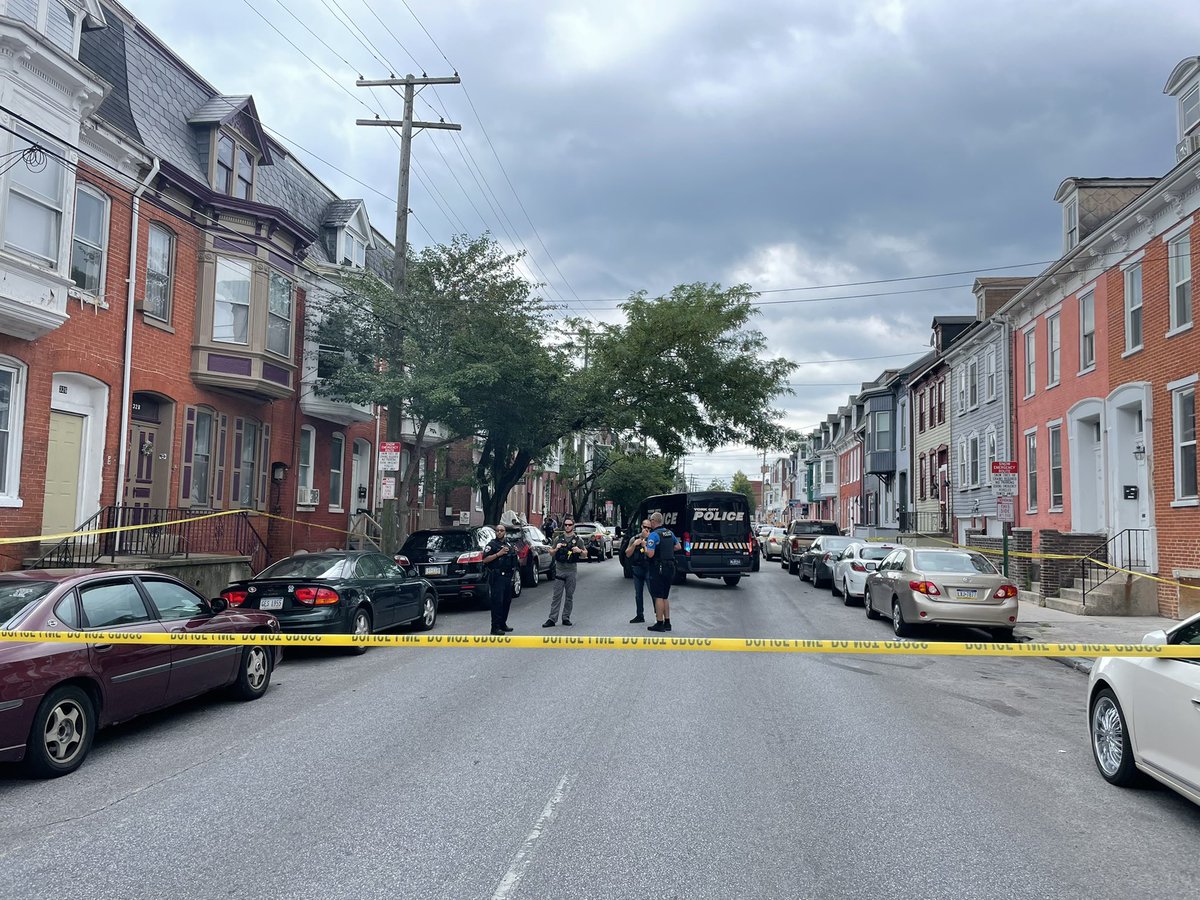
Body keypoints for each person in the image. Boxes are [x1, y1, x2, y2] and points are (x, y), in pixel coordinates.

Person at [544, 517, 586, 627]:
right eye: (566, 525)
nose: (567, 526)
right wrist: (556, 548)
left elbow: (585, 553)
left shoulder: (578, 540)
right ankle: (552, 619)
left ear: (573, 526)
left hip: (571, 571)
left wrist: (580, 550)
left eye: (569, 525)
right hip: (560, 570)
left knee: (569, 596)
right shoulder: (558, 539)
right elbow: (551, 553)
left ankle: (566, 617)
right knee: (556, 596)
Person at [643, 511, 681, 632]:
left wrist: (644, 545)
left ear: (654, 521)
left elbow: (650, 554)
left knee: (658, 596)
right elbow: (678, 546)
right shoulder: (669, 533)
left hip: (658, 568)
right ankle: (668, 622)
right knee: (665, 596)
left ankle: (659, 623)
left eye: (651, 521)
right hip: (670, 567)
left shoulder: (654, 535)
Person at [483, 525, 516, 636]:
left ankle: (502, 624)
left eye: (501, 531)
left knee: (507, 601)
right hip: (497, 577)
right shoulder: (491, 545)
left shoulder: (509, 544)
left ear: (505, 532)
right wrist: (498, 554)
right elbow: (485, 560)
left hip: (508, 576)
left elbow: (514, 560)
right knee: (498, 602)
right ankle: (495, 627)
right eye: (497, 531)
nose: (499, 532)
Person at [624, 519, 653, 623]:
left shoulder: (652, 538)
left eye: (649, 528)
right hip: (637, 568)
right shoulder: (635, 538)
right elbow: (627, 554)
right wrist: (634, 545)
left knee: (652, 592)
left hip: (649, 568)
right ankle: (639, 615)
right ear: (641, 526)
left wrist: (646, 543)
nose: (646, 529)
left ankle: (657, 615)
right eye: (645, 527)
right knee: (638, 594)